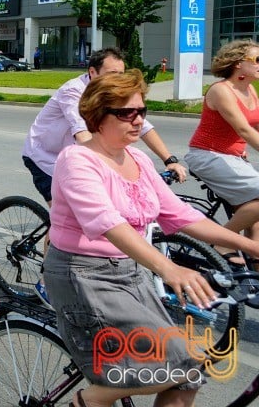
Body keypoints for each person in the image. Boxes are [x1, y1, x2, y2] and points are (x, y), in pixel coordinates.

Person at [43, 69, 259, 407]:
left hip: (131, 273)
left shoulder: (139, 159)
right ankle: (87, 400)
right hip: (83, 276)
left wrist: (249, 246)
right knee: (169, 368)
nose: (137, 120)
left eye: (141, 111)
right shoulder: (78, 160)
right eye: (126, 113)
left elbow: (179, 214)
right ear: (98, 116)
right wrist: (168, 268)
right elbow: (108, 223)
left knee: (190, 373)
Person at [22, 48, 187, 205]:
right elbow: (82, 132)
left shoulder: (114, 93)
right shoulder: (73, 91)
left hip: (74, 154)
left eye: (121, 75)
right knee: (66, 217)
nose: (117, 80)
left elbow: (142, 125)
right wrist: (107, 163)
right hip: (44, 156)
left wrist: (169, 160)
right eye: (112, 74)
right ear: (92, 72)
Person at [184, 39, 259, 247]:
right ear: (238, 63)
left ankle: (252, 277)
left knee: (255, 223)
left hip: (233, 158)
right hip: (207, 155)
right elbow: (243, 129)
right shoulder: (221, 90)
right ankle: (221, 242)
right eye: (257, 59)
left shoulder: (250, 90)